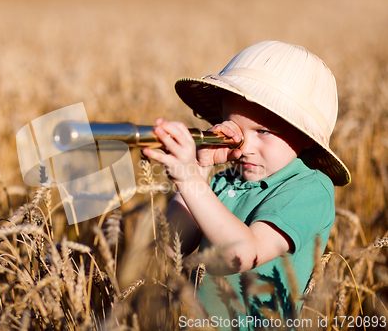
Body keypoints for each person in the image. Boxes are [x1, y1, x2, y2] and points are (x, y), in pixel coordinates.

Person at [141, 41, 351, 330]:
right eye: (235, 129)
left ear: (305, 137)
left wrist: (189, 179)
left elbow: (242, 254)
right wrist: (200, 170)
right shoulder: (225, 180)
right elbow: (170, 245)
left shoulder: (311, 189)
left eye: (263, 131)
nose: (244, 147)